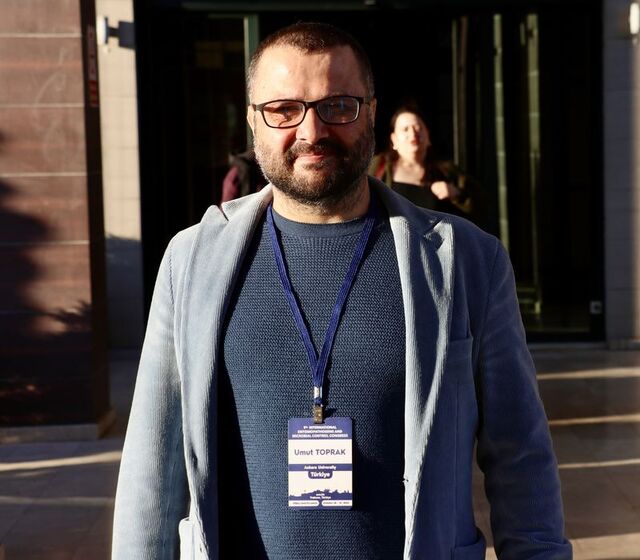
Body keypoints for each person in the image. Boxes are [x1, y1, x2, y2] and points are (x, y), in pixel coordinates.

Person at [112, 22, 572, 560]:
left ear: (371, 113)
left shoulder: (467, 260)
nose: (311, 131)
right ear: (253, 121)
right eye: (284, 109)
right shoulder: (191, 260)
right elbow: (153, 466)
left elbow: (520, 455)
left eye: (337, 106)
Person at [370, 106, 484, 224]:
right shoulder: (378, 167)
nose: (413, 133)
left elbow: (481, 205)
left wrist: (455, 193)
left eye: (418, 127)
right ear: (394, 140)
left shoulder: (445, 171)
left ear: (428, 135)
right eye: (405, 129)